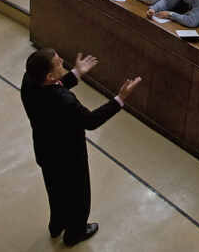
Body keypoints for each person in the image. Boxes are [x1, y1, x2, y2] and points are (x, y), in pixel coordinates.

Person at [20, 48, 141, 247]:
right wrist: (120, 98)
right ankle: (74, 233)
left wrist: (76, 73)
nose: (63, 63)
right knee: (79, 197)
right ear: (50, 75)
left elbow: (52, 87)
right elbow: (90, 121)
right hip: (69, 157)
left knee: (55, 191)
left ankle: (56, 225)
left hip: (45, 151)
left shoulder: (29, 81)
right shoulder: (63, 100)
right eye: (59, 64)